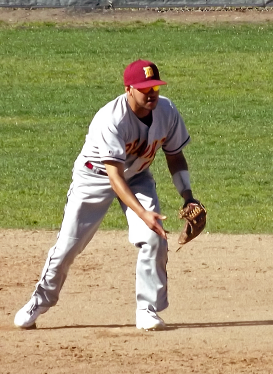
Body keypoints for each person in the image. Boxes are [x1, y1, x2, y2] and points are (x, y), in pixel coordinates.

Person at [14, 59, 200, 331]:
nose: (151, 94)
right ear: (128, 89)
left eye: (155, 88)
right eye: (144, 88)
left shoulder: (167, 111)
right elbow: (114, 176)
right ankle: (39, 301)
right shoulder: (111, 119)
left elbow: (175, 156)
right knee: (67, 247)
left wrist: (188, 196)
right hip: (94, 178)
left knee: (153, 237)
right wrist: (143, 213)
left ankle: (146, 310)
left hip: (137, 177)